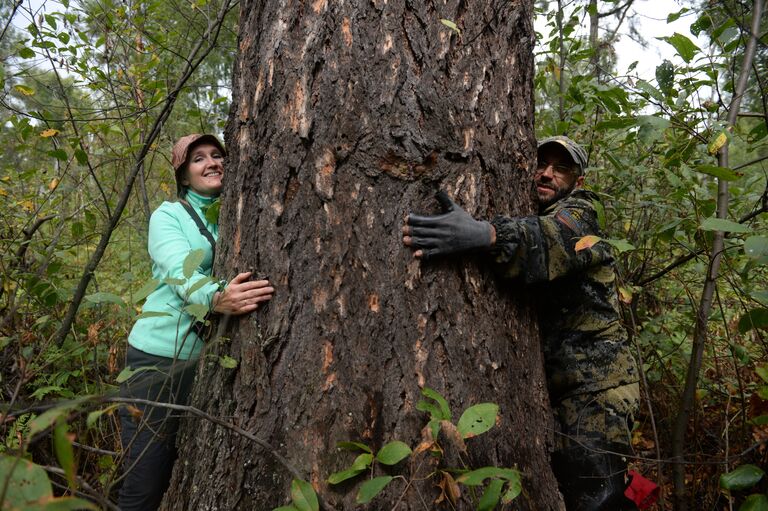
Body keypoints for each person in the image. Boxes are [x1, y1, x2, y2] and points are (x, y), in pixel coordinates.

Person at [402, 136, 640, 510]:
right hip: (561, 392)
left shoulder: (584, 212)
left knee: (596, 497)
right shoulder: (537, 210)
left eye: (560, 168)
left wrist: (485, 234)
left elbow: (553, 240)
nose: (546, 174)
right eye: (542, 164)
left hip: (598, 388)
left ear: (578, 181)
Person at [117, 134, 275, 510]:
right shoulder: (168, 216)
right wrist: (216, 298)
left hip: (204, 365)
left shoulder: (238, 212)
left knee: (186, 465)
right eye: (198, 159)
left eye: (217, 155)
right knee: (145, 482)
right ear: (184, 177)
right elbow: (178, 271)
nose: (211, 163)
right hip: (156, 362)